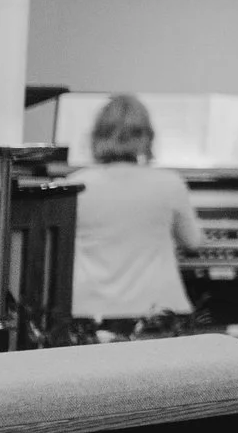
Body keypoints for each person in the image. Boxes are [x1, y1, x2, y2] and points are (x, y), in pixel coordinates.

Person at [70, 94, 203, 327]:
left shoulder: (74, 185)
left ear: (97, 136)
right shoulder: (169, 183)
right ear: (147, 137)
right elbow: (193, 242)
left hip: (90, 313)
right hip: (158, 313)